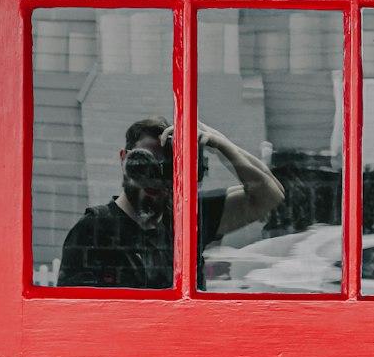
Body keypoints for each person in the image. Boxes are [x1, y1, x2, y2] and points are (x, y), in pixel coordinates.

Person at [56, 117, 284, 289]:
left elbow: (270, 195)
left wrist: (220, 143)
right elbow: (75, 317)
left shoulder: (188, 220)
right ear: (124, 159)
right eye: (144, 162)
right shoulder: (94, 229)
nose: (154, 177)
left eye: (168, 168)